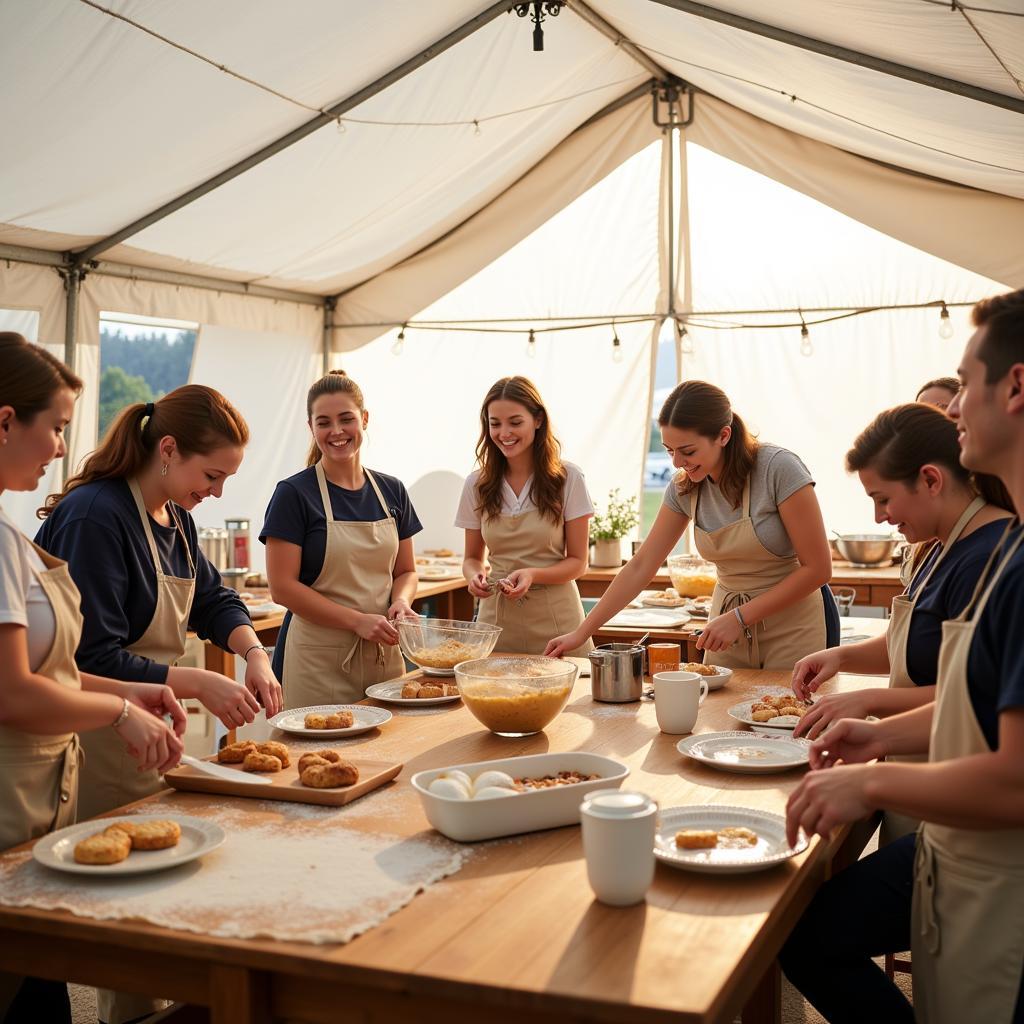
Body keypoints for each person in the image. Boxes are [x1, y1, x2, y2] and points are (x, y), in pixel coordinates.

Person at [780, 288, 1024, 1024]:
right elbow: (972, 701)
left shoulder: (1003, 554)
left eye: (963, 385)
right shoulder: (1009, 549)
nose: (951, 414)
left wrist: (875, 783)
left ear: (1016, 388)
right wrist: (878, 735)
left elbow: (1016, 782)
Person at [0, 333, 183, 1024]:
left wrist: (130, 692)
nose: (57, 448)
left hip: (31, 807)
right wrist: (118, 715)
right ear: (5, 420)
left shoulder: (10, 532)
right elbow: (11, 692)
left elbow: (53, 669)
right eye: (54, 428)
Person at [791, 403, 1013, 841]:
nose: (880, 518)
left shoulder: (987, 558)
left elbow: (973, 702)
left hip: (953, 791)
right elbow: (916, 646)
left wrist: (870, 703)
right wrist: (842, 655)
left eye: (883, 499)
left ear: (931, 480)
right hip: (912, 767)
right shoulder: (938, 546)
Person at [547, 380, 838, 668]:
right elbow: (641, 565)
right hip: (725, 628)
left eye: (687, 451)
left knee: (786, 711)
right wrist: (582, 633)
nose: (676, 462)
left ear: (723, 436)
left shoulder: (778, 468)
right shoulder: (684, 488)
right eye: (669, 450)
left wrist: (740, 618)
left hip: (792, 625)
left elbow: (818, 568)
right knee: (719, 714)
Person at [262, 371, 421, 708]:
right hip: (317, 662)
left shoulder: (391, 490)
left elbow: (405, 571)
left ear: (364, 419)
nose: (336, 431)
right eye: (324, 422)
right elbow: (283, 588)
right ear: (311, 427)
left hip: (383, 656)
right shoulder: (293, 494)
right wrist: (357, 621)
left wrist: (402, 601)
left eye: (346, 419)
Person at [456, 377, 593, 656]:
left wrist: (533, 574)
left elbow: (578, 563)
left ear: (538, 420)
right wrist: (474, 576)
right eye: (495, 423)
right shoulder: (476, 484)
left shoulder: (569, 479)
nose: (504, 432)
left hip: (559, 626)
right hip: (495, 625)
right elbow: (471, 558)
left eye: (515, 422)